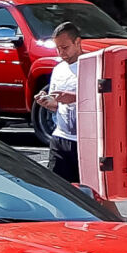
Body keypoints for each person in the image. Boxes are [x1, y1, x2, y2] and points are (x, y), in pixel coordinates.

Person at [37, 22, 86, 182]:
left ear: (77, 42)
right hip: (61, 138)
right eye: (57, 48)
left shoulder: (91, 66)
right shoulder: (59, 69)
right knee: (56, 189)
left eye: (65, 48)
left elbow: (102, 101)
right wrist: (47, 101)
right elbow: (56, 106)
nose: (61, 53)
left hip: (85, 141)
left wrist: (73, 97)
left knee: (92, 193)